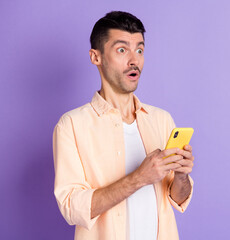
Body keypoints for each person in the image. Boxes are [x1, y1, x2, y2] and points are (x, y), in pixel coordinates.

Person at [53, 11, 194, 240]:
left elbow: (178, 199)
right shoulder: (71, 125)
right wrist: (139, 177)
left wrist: (181, 176)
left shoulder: (162, 120)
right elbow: (72, 208)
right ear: (95, 57)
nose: (134, 60)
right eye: (122, 50)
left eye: (139, 50)